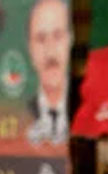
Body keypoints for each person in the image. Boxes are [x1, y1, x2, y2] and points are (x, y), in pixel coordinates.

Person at [26, 0, 70, 144]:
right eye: (40, 39)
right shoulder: (19, 112)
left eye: (58, 36)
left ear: (70, 40)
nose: (50, 52)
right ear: (30, 49)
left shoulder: (85, 107)